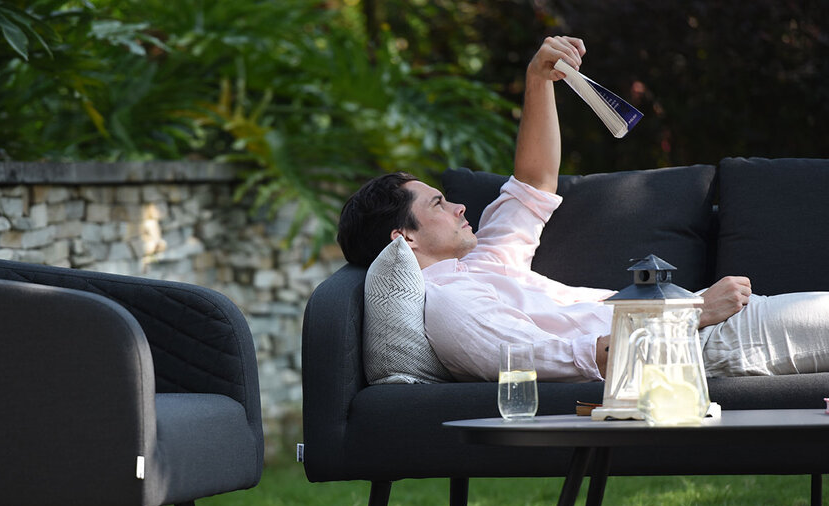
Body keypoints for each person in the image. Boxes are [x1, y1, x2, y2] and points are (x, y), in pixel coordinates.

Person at [336, 36, 829, 382]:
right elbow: (585, 359)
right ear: (406, 238)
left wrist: (539, 79)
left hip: (699, 324)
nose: (461, 205)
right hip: (689, 347)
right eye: (440, 203)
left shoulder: (481, 264)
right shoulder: (453, 310)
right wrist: (695, 310)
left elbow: (532, 183)